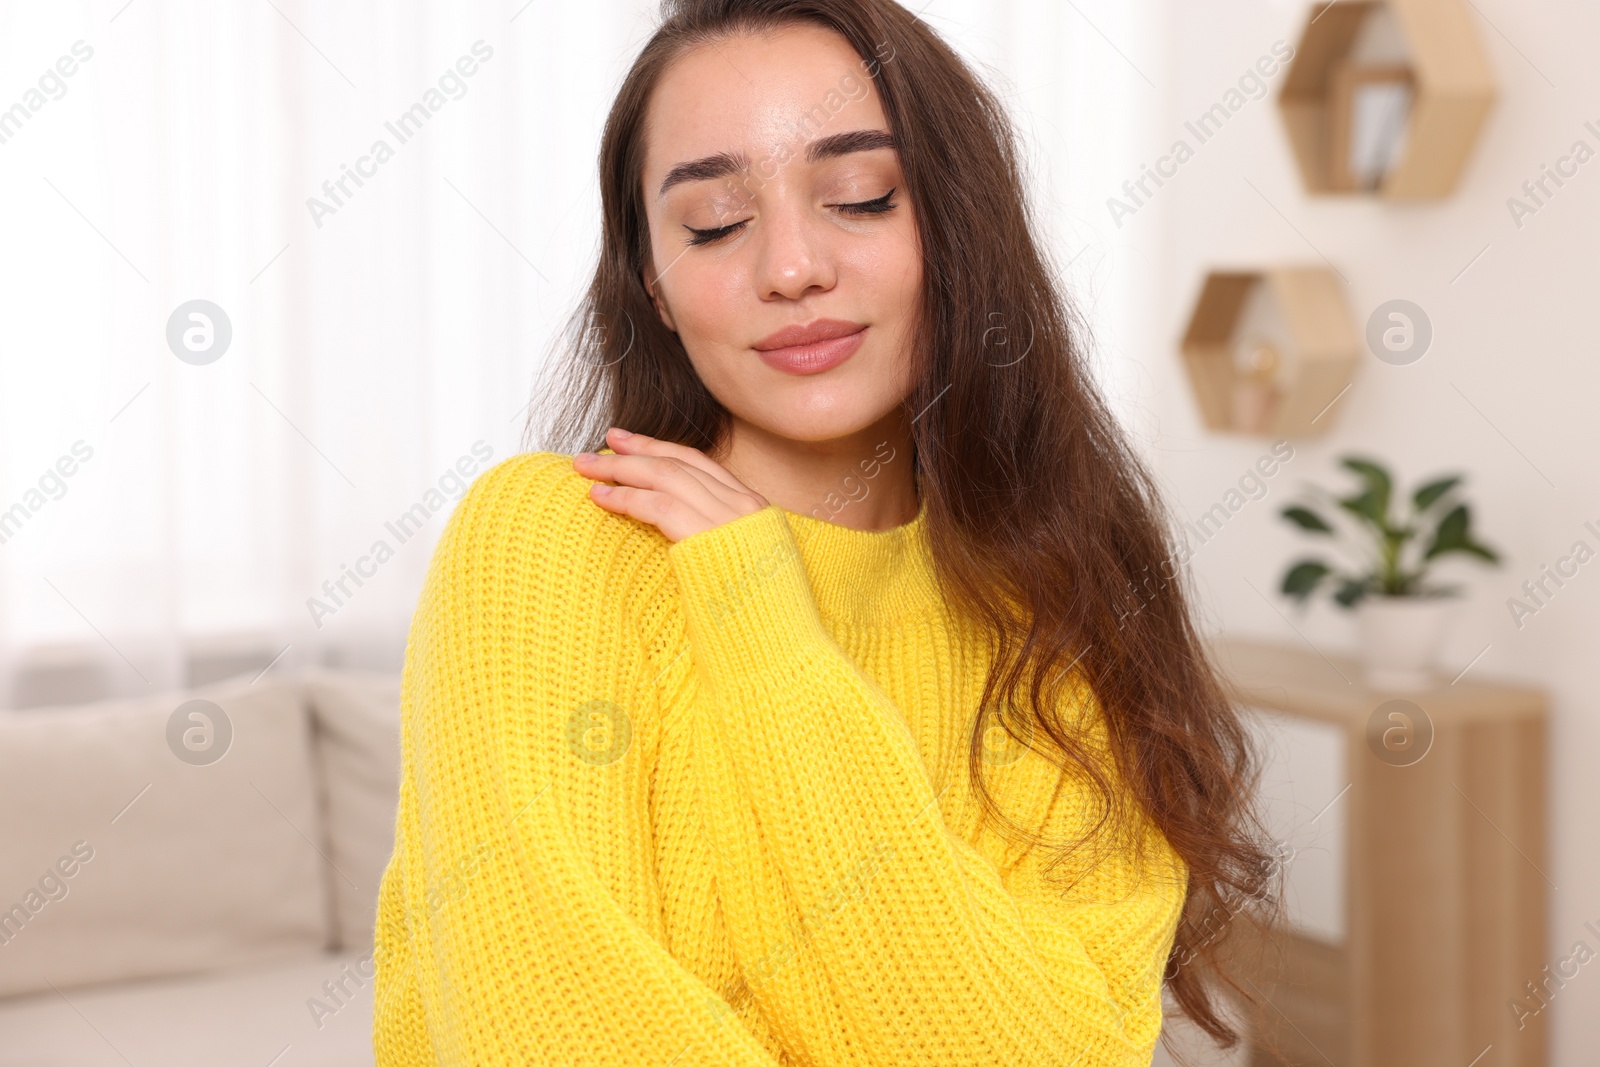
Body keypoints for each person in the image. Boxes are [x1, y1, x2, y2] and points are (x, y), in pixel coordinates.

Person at [372, 1, 1280, 1064]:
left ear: (954, 228)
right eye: (714, 220)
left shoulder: (1065, 609)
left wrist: (774, 641)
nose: (791, 266)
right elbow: (541, 1020)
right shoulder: (547, 538)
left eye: (859, 196)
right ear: (654, 284)